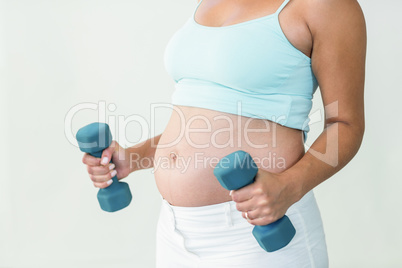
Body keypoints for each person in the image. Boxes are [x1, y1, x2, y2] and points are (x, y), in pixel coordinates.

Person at [81, 0, 366, 267]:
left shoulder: (326, 6)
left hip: (258, 233)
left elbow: (346, 125)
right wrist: (134, 157)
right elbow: (199, 121)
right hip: (174, 231)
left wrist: (290, 185)